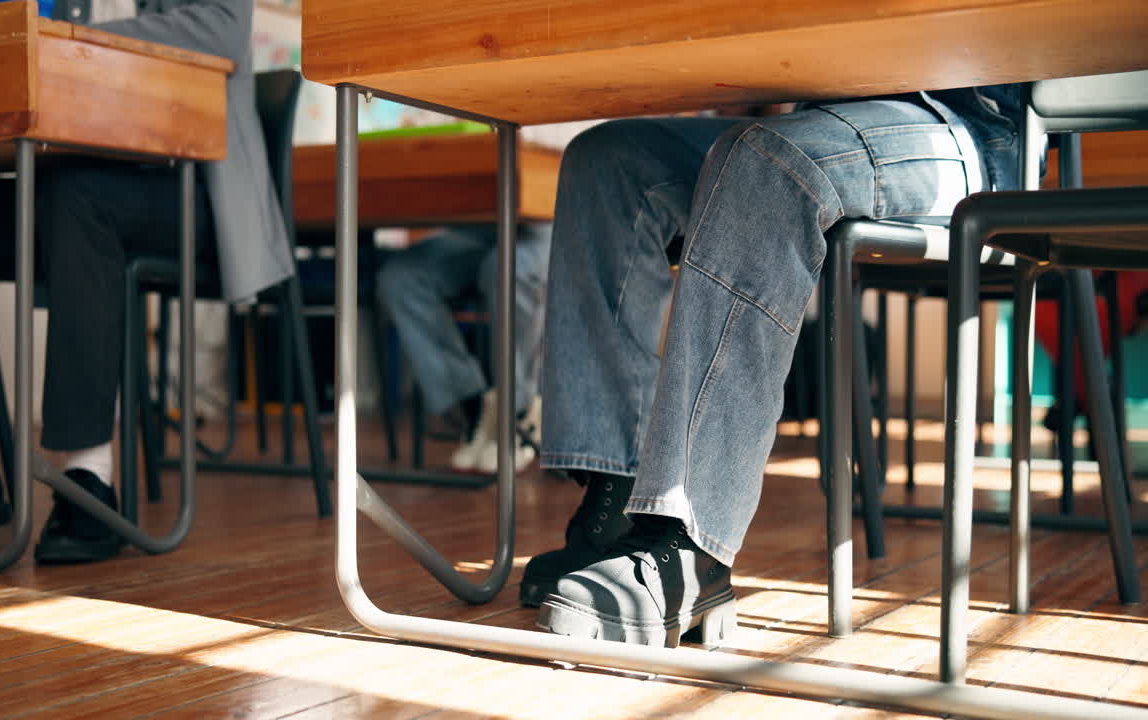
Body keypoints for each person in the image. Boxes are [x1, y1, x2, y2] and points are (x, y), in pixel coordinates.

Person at [523, 87, 1023, 646]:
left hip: (965, 129)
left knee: (765, 160)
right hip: (819, 112)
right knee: (609, 158)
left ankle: (688, 542)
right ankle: (615, 496)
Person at [0, 0, 287, 564]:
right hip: (56, 179)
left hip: (187, 192)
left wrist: (67, 37)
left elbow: (223, 29)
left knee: (77, 197)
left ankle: (87, 474)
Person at [376, 223, 551, 474]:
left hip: (544, 227)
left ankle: (519, 414)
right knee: (400, 278)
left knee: (508, 267)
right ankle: (476, 409)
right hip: (478, 227)